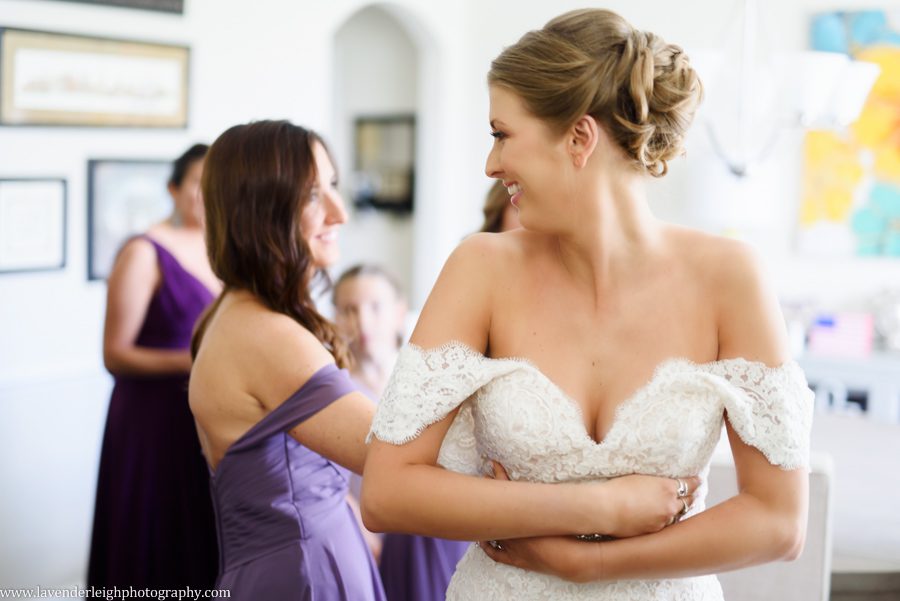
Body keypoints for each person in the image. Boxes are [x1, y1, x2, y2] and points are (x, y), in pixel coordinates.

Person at [362, 8, 813, 600]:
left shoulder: (730, 277)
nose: (491, 165)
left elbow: (778, 523)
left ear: (578, 138)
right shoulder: (480, 268)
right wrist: (593, 505)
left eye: (501, 134)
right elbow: (387, 492)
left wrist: (587, 565)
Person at [188, 120, 385, 600]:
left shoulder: (233, 314)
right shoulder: (264, 335)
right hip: (302, 575)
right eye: (315, 195)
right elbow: (395, 455)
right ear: (262, 211)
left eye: (334, 186)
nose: (340, 212)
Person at [88, 143, 219, 589]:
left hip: (203, 417)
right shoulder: (144, 252)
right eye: (199, 185)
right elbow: (115, 353)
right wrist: (194, 361)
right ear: (173, 188)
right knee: (152, 530)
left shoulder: (225, 248)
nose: (208, 196)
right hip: (150, 419)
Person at [333, 265, 469, 601]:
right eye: (349, 309)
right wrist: (362, 533)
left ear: (398, 312)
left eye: (374, 307)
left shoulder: (429, 373)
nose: (362, 322)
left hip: (439, 526)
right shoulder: (336, 387)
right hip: (374, 532)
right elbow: (331, 479)